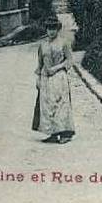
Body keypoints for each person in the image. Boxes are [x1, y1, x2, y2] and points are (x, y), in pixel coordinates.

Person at [32, 16, 75, 144]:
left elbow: (69, 60)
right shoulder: (42, 45)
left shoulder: (64, 43)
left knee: (61, 105)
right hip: (46, 77)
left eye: (53, 28)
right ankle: (52, 133)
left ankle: (65, 133)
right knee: (47, 106)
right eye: (48, 28)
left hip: (59, 77)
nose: (51, 31)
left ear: (58, 29)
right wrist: (38, 79)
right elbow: (40, 64)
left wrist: (57, 67)